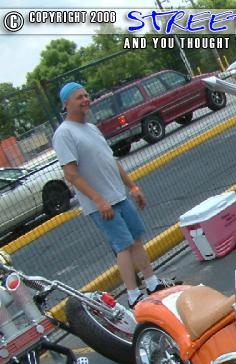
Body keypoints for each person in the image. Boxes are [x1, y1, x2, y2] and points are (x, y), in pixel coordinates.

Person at [52, 82, 172, 308]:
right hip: (102, 204)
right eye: (79, 97)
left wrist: (133, 187)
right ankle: (133, 295)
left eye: (86, 95)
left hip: (119, 196)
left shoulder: (91, 128)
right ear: (66, 103)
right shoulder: (64, 134)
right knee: (123, 247)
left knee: (136, 240)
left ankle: (152, 283)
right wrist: (98, 200)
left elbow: (112, 161)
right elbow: (71, 173)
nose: (85, 100)